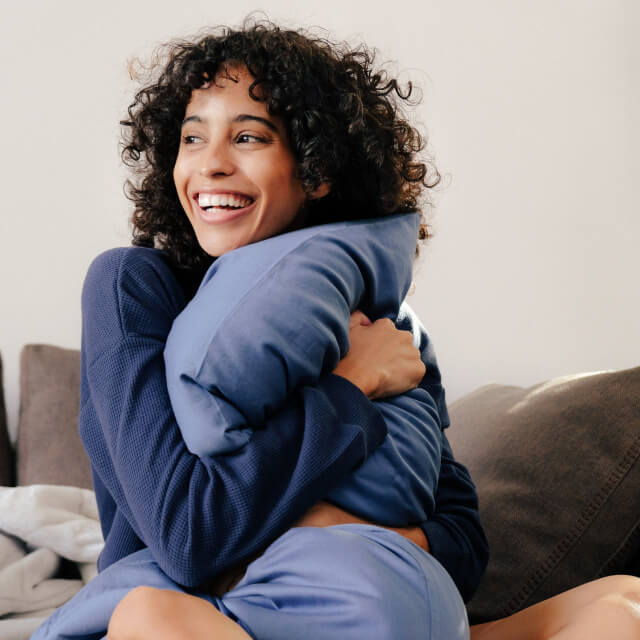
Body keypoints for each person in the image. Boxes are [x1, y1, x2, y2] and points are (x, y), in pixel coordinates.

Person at [34, 19, 640, 640]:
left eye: (248, 137)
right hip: (197, 612)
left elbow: (459, 536)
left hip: (356, 608)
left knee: (622, 604)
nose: (210, 165)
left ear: (317, 171)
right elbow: (189, 536)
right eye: (192, 139)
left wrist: (351, 542)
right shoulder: (132, 288)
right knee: (150, 620)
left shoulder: (382, 323)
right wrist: (350, 386)